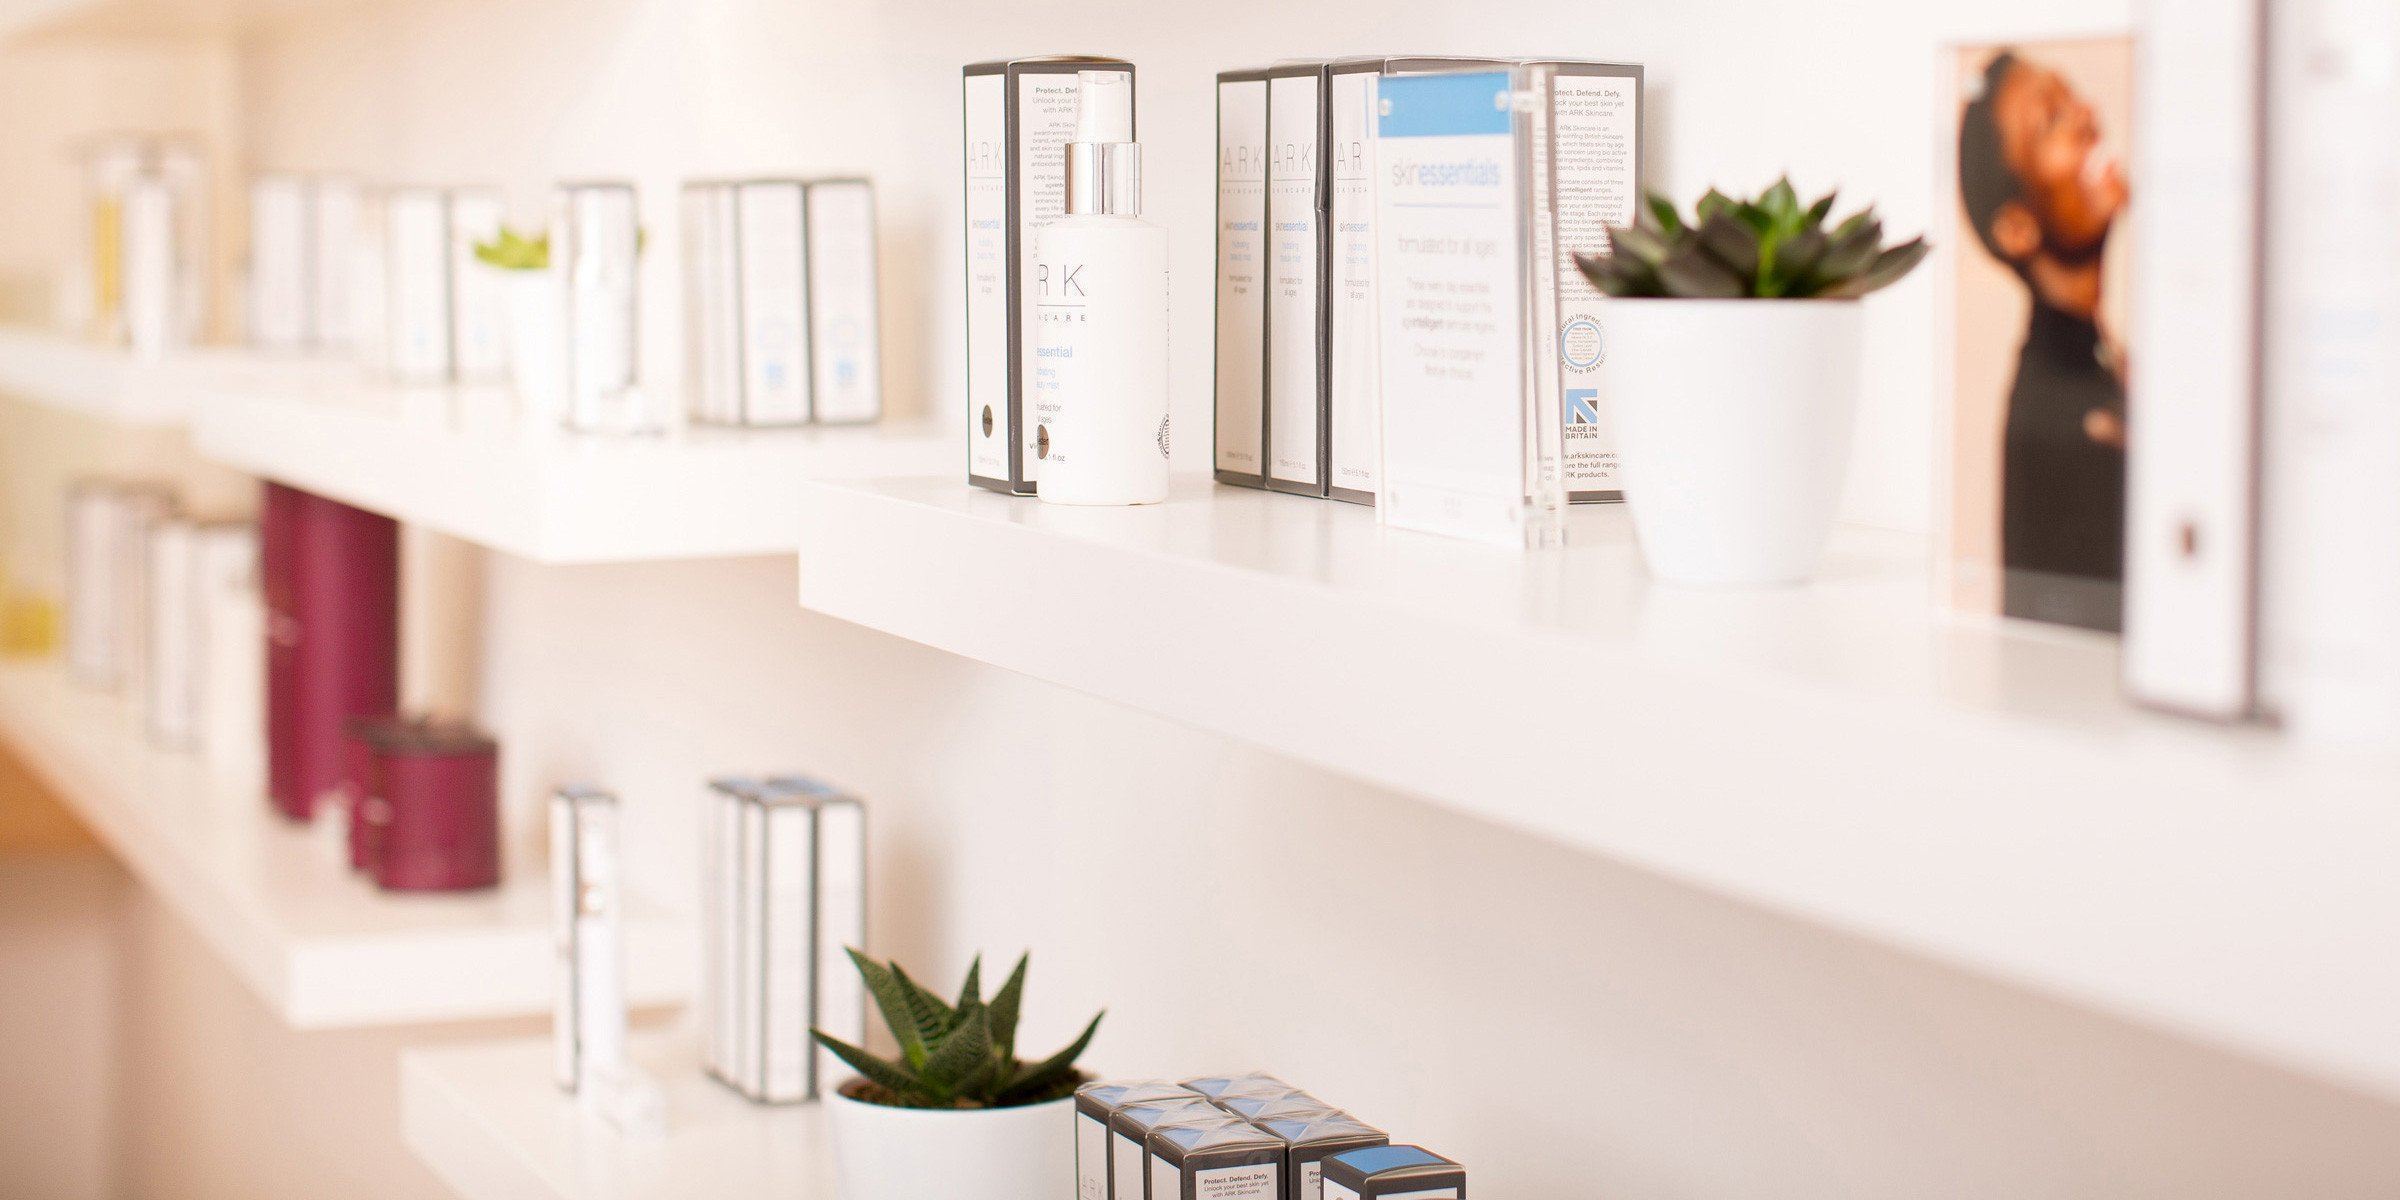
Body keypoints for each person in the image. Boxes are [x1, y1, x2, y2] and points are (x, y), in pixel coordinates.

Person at [1957, 49, 2130, 630]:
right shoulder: (2056, 411)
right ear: (2017, 228)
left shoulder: (2097, 361)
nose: (2086, 114)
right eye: (2050, 119)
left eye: (2069, 94)